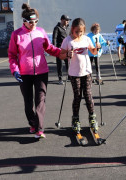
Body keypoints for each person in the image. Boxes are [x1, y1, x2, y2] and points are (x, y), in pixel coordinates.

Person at [8, 3, 68, 138]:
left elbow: (50, 48)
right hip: (24, 73)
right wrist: (15, 70)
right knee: (28, 102)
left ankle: (40, 129)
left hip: (41, 71)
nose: (33, 24)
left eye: (36, 21)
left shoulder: (40, 32)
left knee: (40, 99)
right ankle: (33, 123)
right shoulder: (16, 35)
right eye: (31, 22)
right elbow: (12, 55)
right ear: (24, 21)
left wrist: (62, 53)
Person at [60, 18, 101, 134]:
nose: (79, 34)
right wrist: (67, 54)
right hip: (74, 73)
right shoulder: (67, 40)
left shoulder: (86, 39)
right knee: (77, 96)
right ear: (72, 29)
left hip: (87, 72)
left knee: (88, 95)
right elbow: (61, 55)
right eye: (77, 32)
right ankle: (76, 119)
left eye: (81, 32)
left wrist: (97, 47)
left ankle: (92, 117)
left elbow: (93, 52)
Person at [52, 14, 71, 85]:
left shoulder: (69, 28)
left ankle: (69, 76)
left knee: (68, 63)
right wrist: (54, 48)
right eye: (66, 20)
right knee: (60, 64)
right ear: (62, 20)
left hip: (67, 48)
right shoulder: (57, 28)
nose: (67, 22)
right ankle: (60, 78)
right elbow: (54, 38)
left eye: (68, 20)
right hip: (59, 48)